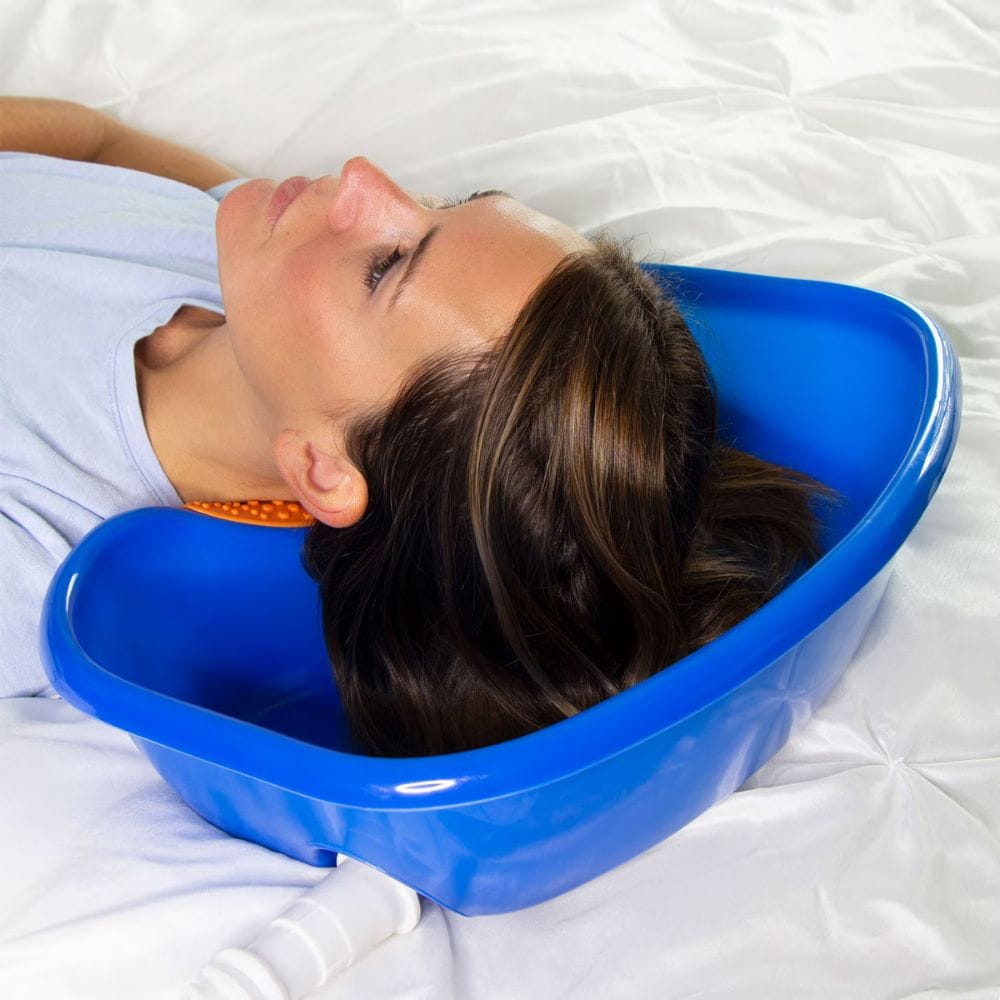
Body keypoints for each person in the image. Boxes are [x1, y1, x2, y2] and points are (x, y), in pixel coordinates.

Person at [1, 97, 838, 755]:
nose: (366, 179)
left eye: (384, 266)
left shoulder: (36, 546)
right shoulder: (246, 257)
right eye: (439, 205)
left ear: (324, 471)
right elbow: (95, 142)